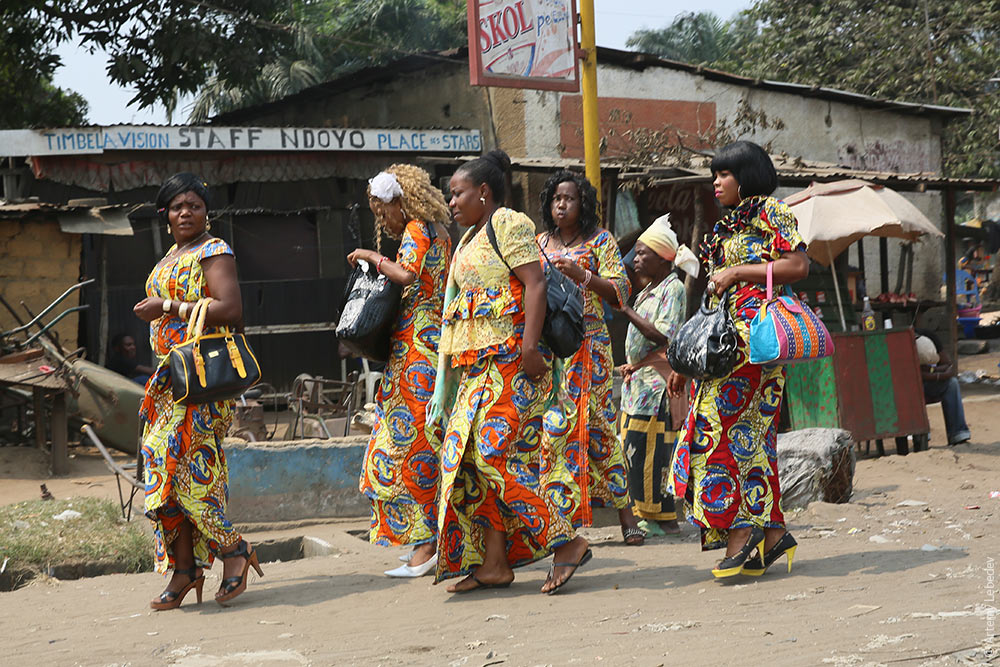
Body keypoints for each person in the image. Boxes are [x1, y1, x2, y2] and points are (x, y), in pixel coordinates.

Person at [432, 150, 591, 594]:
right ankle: (495, 562)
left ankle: (566, 541)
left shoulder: (509, 224)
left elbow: (536, 283)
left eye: (458, 193)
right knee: (464, 461)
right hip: (476, 373)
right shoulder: (465, 241)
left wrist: (528, 348)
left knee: (493, 456)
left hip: (513, 366)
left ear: (483, 192)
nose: (452, 202)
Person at [665, 141, 809, 579]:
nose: (716, 182)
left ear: (745, 175)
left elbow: (798, 266)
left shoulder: (771, 212)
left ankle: (741, 534)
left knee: (720, 436)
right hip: (723, 347)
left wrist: (738, 272)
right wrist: (685, 361)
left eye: (723, 174)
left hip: (758, 345)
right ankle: (772, 533)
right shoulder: (724, 227)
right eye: (715, 175)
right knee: (748, 439)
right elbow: (712, 303)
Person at [133, 172, 262, 609]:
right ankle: (184, 568)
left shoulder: (214, 250)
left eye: (194, 205)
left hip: (202, 385)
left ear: (207, 212)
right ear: (164, 215)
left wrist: (166, 306)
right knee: (161, 474)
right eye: (176, 206)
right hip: (170, 382)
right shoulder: (172, 254)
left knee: (189, 475)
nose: (185, 212)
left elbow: (230, 309)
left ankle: (234, 549)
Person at [351, 164, 452, 577]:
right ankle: (431, 540)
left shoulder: (415, 229)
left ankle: (424, 547)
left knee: (407, 448)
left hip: (415, 351)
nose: (382, 219)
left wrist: (371, 256)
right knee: (426, 442)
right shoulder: (441, 233)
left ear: (399, 200)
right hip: (434, 346)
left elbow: (406, 273)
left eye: (382, 210)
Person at [534, 170, 643, 545]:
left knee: (598, 428)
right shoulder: (538, 243)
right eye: (556, 199)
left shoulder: (600, 241)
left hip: (589, 347)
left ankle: (627, 515)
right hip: (551, 351)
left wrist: (583, 275)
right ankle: (559, 524)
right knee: (552, 431)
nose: (561, 205)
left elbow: (620, 291)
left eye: (570, 199)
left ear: (583, 204)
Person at [617, 215, 698, 538]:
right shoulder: (651, 289)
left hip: (655, 385)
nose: (635, 260)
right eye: (634, 254)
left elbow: (661, 333)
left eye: (641, 253)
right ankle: (646, 514)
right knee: (635, 449)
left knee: (652, 451)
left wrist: (625, 310)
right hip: (638, 384)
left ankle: (661, 518)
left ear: (662, 258)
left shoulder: (673, 289)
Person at [915, 329, 971, 445]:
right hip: (912, 388)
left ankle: (958, 433)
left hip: (930, 384)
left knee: (952, 384)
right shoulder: (902, 344)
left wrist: (932, 372)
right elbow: (914, 374)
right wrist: (934, 374)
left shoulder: (929, 337)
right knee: (913, 387)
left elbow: (949, 366)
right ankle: (922, 433)